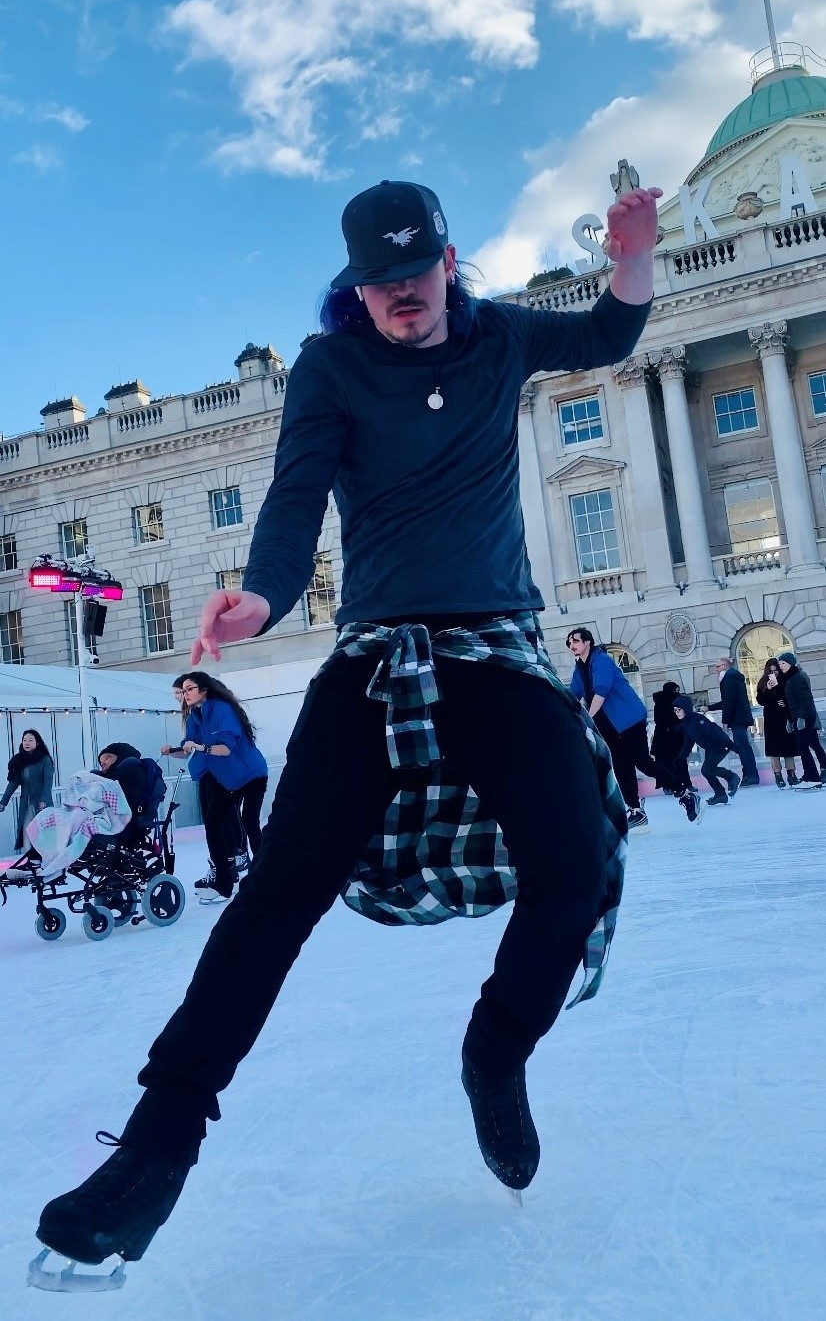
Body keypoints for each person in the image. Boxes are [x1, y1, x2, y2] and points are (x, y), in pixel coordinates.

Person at [37, 175, 663, 1271]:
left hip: (492, 648)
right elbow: (293, 496)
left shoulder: (501, 339)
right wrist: (263, 597)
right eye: (379, 283)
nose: (400, 298)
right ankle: (154, 1148)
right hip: (376, 654)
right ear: (356, 285)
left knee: (578, 859)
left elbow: (611, 333)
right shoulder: (330, 367)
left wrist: (632, 255)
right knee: (278, 890)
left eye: (415, 274)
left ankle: (495, 1052)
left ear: (449, 262)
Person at [566, 629, 702, 833]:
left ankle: (685, 794)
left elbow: (601, 691)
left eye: (575, 641)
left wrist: (587, 717)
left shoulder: (600, 660)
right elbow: (573, 693)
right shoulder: (580, 668)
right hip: (609, 727)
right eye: (569, 643)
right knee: (621, 766)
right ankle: (636, 810)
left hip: (628, 720)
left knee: (642, 761)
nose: (571, 645)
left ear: (587, 642)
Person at [178, 672, 268, 902]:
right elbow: (190, 747)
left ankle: (266, 873)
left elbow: (225, 749)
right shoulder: (194, 716)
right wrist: (176, 750)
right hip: (226, 779)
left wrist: (199, 747)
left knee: (249, 820)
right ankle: (223, 885)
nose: (184, 694)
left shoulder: (221, 710)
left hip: (251, 775)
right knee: (213, 825)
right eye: (183, 690)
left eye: (189, 689)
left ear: (204, 690)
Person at [672, 696, 740, 806]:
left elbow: (714, 730)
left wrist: (730, 745)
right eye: (675, 710)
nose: (676, 712)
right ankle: (720, 794)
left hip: (721, 745)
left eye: (679, 710)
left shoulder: (697, 719)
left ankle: (732, 777)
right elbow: (688, 743)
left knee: (707, 769)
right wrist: (680, 758)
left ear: (686, 708)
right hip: (711, 747)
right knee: (706, 770)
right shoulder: (687, 723)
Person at [776, 652, 826, 789]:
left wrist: (801, 718)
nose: (781, 666)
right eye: (779, 664)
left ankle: (812, 777)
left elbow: (805, 700)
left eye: (783, 663)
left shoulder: (797, 677)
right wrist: (790, 720)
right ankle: (811, 776)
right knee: (805, 747)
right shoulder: (789, 678)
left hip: (804, 717)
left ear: (791, 664)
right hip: (798, 717)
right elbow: (789, 702)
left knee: (804, 747)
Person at [707, 657, 759, 786]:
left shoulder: (729, 678)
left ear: (724, 665)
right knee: (743, 747)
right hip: (740, 717)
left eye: (718, 666)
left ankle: (750, 775)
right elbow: (729, 701)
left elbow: (729, 701)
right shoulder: (734, 676)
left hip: (737, 718)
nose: (716, 670)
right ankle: (749, 774)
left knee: (742, 747)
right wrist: (710, 708)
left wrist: (726, 720)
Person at [0, 729, 54, 851]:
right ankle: (30, 860)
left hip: (41, 804)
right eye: (24, 740)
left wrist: (44, 800)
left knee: (43, 834)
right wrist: (3, 802)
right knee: (26, 832)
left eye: (30, 740)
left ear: (37, 743)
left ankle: (45, 861)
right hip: (26, 804)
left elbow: (48, 782)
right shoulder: (19, 761)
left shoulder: (44, 759)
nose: (27, 743)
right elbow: (13, 783)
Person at [755, 659, 799, 789]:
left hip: (784, 716)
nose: (774, 673)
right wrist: (768, 689)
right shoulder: (763, 682)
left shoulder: (785, 679)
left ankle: (792, 774)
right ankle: (778, 776)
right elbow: (761, 700)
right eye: (771, 671)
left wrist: (780, 693)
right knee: (774, 750)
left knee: (788, 748)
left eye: (775, 670)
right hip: (771, 718)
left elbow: (788, 696)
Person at [650, 680, 691, 790]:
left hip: (672, 736)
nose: (677, 693)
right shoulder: (662, 702)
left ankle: (682, 784)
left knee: (676, 760)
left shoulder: (669, 701)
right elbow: (659, 719)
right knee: (669, 761)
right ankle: (672, 785)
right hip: (667, 737)